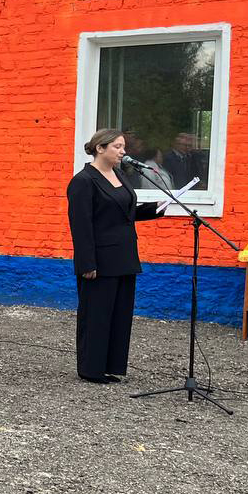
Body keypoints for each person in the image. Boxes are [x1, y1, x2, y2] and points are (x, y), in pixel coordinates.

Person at [66, 128, 165, 383]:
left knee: (120, 315)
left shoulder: (119, 175)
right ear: (100, 148)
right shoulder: (83, 181)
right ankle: (91, 369)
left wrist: (155, 209)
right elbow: (81, 226)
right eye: (117, 147)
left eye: (124, 147)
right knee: (97, 315)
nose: (123, 152)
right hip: (100, 260)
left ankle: (111, 366)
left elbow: (123, 212)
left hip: (125, 256)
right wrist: (87, 263)